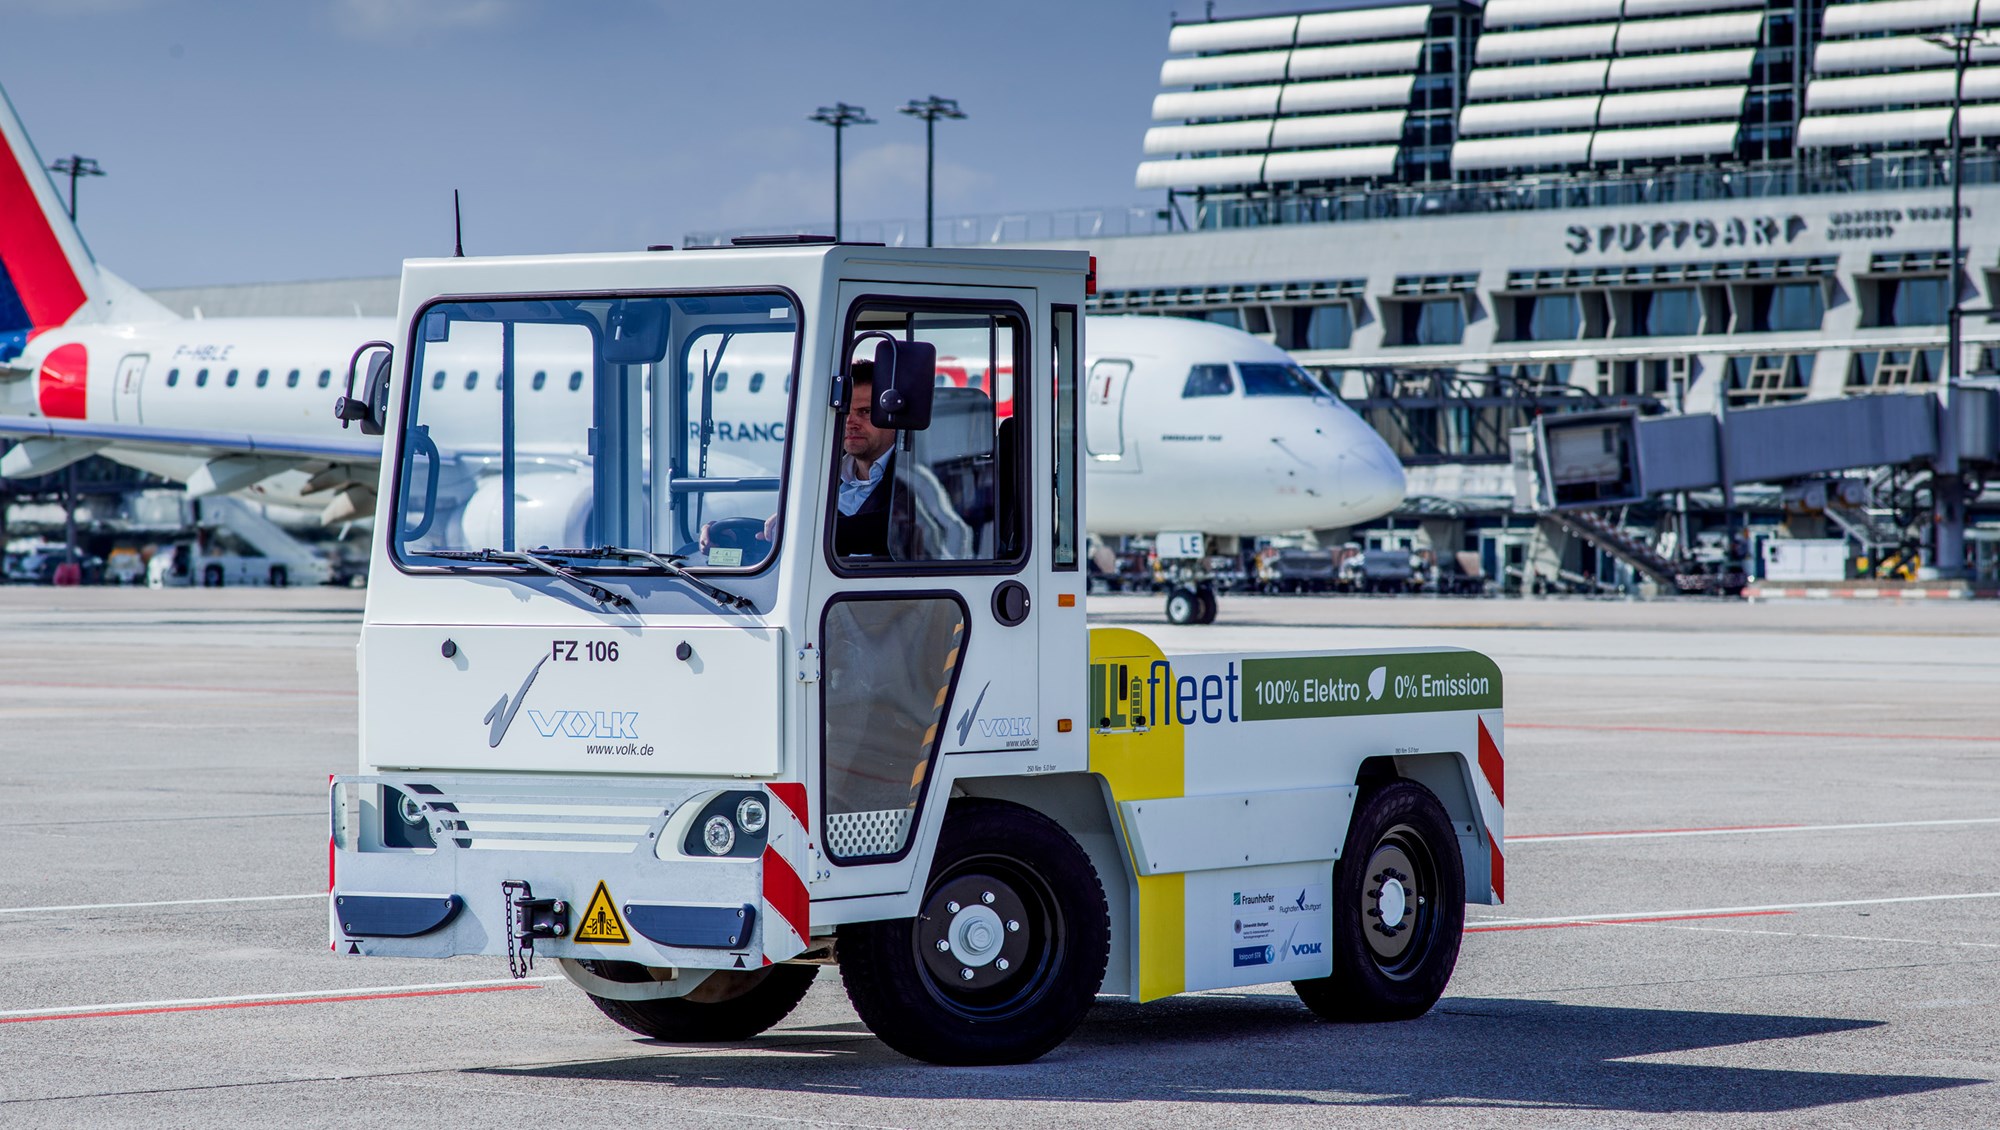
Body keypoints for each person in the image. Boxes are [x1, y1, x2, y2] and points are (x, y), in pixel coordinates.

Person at [701, 359, 899, 559]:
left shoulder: (914, 473)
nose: (850, 422)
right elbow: (781, 535)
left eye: (865, 412)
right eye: (845, 411)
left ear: (894, 417)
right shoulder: (823, 470)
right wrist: (733, 537)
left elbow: (885, 530)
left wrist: (799, 528)